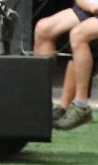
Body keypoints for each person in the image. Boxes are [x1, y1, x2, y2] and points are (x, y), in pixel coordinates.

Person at [35, 0, 97, 130]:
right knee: (43, 28)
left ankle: (81, 106)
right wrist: (91, 6)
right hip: (91, 9)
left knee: (78, 35)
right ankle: (42, 104)